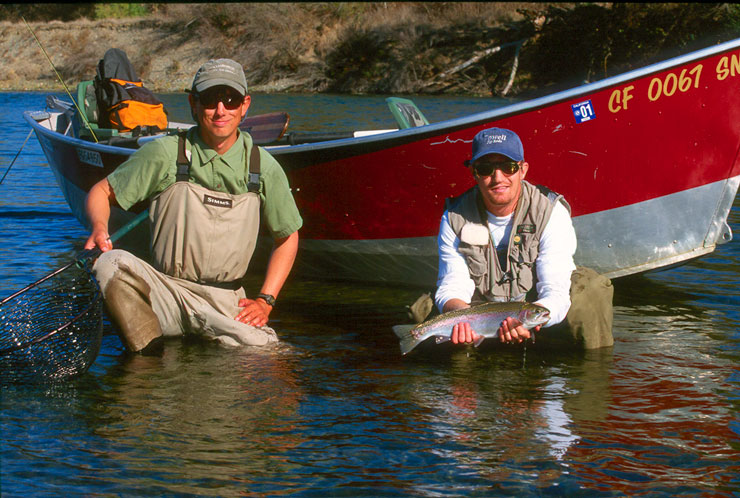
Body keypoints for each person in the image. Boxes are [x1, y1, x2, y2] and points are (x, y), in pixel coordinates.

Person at [84, 58, 302, 354]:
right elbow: (101, 191)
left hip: (228, 303)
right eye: (210, 100)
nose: (221, 110)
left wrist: (265, 301)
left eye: (231, 99)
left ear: (245, 104)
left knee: (272, 360)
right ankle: (148, 358)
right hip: (165, 292)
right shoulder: (163, 153)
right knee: (109, 264)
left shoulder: (265, 166)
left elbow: (287, 237)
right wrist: (99, 228)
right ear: (194, 104)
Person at [434, 127, 578, 346]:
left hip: (531, 307)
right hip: (479, 310)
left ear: (523, 170)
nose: (497, 178)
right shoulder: (454, 217)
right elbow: (452, 284)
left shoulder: (550, 212)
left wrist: (533, 321)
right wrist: (463, 318)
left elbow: (555, 289)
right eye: (485, 168)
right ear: (474, 172)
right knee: (423, 313)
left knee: (591, 293)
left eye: (508, 167)